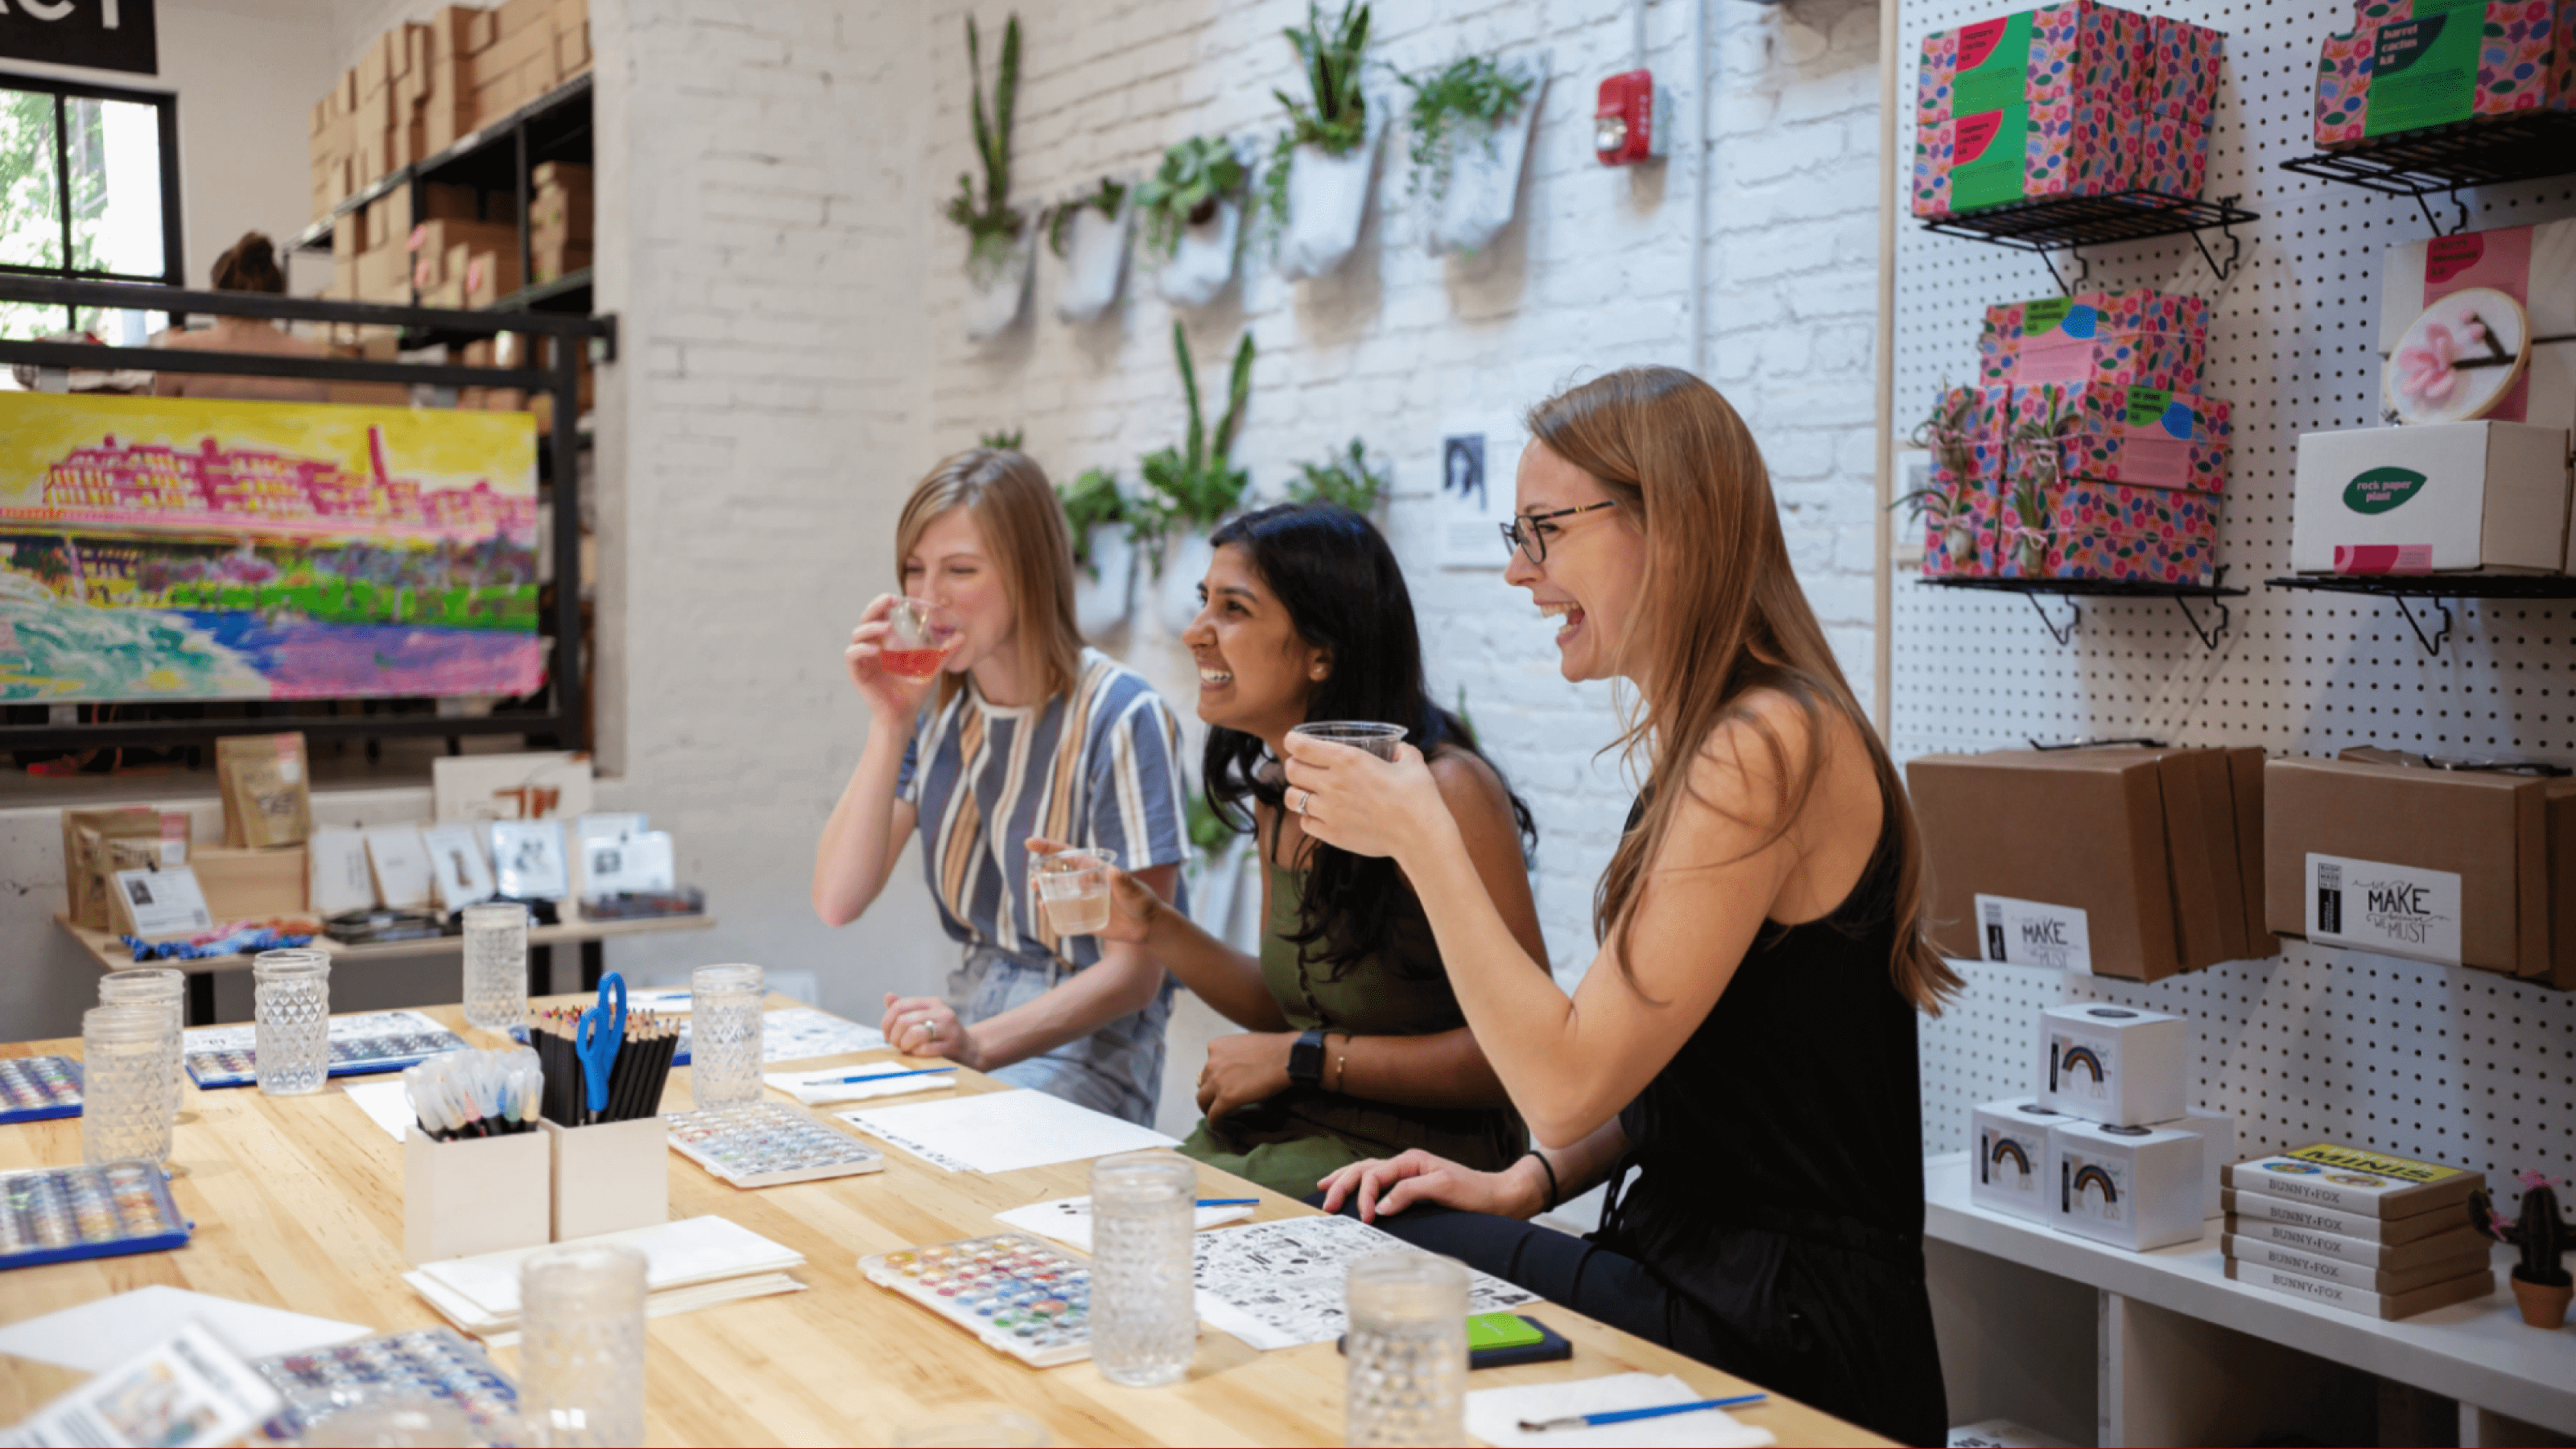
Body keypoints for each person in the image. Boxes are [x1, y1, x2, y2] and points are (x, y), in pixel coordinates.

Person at [1280, 368, 1957, 1447]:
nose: (1518, 570)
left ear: (1673, 526)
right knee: (1379, 1236)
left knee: (1369, 1265)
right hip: (1706, 1277)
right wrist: (1524, 1183)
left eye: (1544, 532)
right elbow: (1673, 1078)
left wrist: (1423, 837)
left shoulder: (1765, 745)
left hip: (1782, 1330)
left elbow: (1562, 1081)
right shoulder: (1727, 738)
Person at [1035, 503, 1547, 1199]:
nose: (1195, 633)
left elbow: (1517, 1055)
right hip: (1292, 1131)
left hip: (1416, 1162)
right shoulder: (1281, 790)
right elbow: (1292, 1007)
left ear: (1322, 653)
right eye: (1202, 603)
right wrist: (1150, 923)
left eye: (1234, 609)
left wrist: (1303, 1060)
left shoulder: (1450, 791)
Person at [813, 448, 1191, 1127]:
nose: (928, 599)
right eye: (913, 571)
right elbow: (838, 899)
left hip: (1091, 1048)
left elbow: (1137, 973)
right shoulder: (932, 710)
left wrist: (979, 1044)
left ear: (1030, 572)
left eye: (960, 570)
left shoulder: (1121, 716)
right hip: (971, 1010)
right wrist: (889, 721)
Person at [153, 233, 328, 402]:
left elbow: (157, 424)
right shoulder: (310, 357)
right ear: (280, 294)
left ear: (214, 293)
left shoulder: (181, 352)